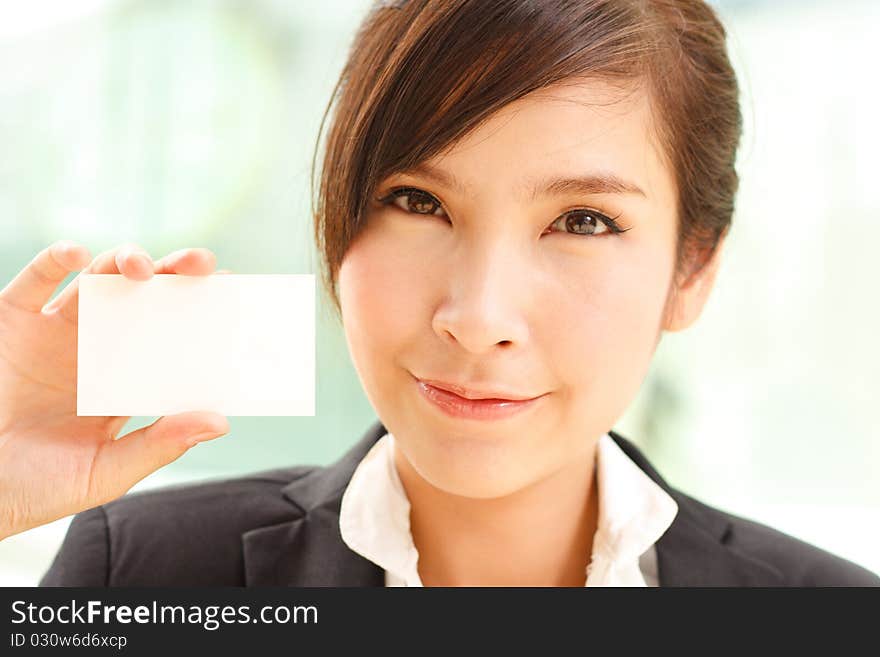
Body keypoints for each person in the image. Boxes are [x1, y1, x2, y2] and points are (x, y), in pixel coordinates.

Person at [2, 0, 877, 586]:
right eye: (418, 202)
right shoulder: (143, 571)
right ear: (334, 226)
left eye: (583, 221)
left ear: (692, 270)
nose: (478, 317)